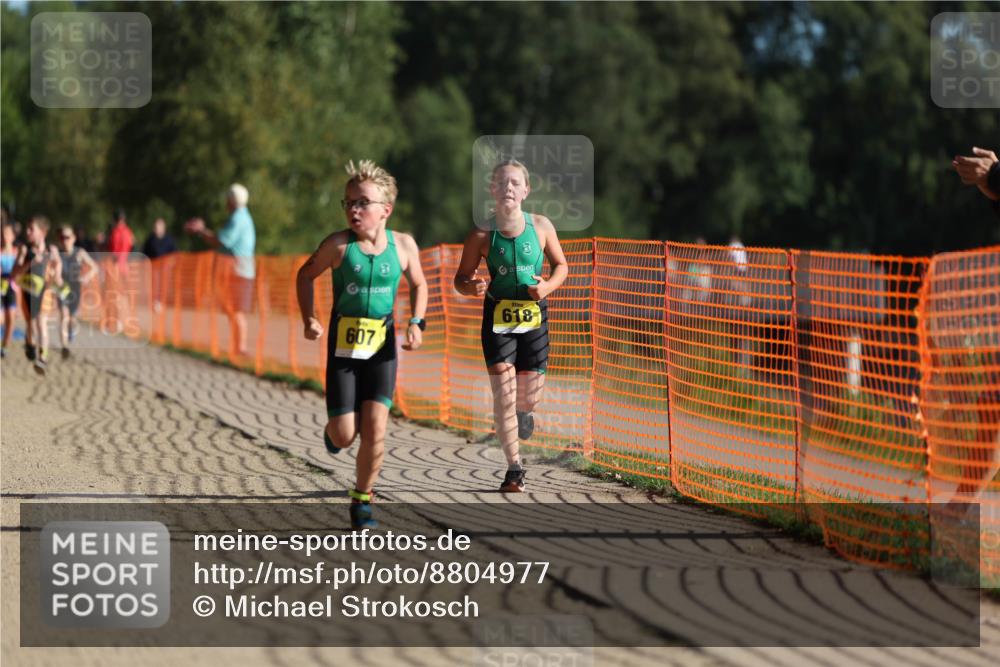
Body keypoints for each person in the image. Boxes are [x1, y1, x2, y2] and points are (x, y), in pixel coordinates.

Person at [296, 160, 427, 529]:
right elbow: (305, 276)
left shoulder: (403, 246)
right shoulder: (338, 245)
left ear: (386, 209)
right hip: (344, 350)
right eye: (349, 202)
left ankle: (362, 499)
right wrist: (309, 317)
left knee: (376, 428)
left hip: (382, 349)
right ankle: (333, 432)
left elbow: (420, 284)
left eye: (363, 203)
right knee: (344, 433)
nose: (354, 210)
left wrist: (417, 322)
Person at [453, 159, 568, 492]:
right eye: (502, 182)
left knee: (527, 399)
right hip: (498, 317)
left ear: (526, 191)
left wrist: (546, 287)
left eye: (515, 183)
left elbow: (562, 266)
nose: (508, 188)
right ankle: (514, 469)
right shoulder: (480, 233)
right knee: (503, 396)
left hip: (534, 317)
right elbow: (460, 278)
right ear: (492, 189)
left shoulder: (542, 226)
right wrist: (469, 285)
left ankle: (523, 413)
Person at [185, 184, 257, 358]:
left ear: (232, 201)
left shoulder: (238, 218)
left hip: (238, 271)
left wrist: (201, 231)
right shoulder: (241, 217)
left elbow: (221, 242)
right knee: (232, 310)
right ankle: (237, 347)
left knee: (236, 310)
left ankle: (240, 348)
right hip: (239, 270)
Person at [10, 216, 62, 374]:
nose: (27, 232)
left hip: (44, 292)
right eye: (27, 228)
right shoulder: (24, 250)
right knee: (31, 325)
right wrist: (30, 264)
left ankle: (43, 359)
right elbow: (14, 274)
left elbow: (58, 280)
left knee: (42, 323)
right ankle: (29, 344)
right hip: (28, 294)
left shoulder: (51, 252)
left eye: (32, 229)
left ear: (43, 232)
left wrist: (55, 267)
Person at [55, 225, 99, 359]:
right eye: (62, 238)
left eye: (67, 237)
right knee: (64, 315)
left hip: (75, 290)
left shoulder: (80, 253)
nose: (64, 240)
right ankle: (64, 347)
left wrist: (86, 277)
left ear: (73, 238)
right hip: (62, 289)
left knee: (72, 318)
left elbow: (94, 267)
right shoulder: (57, 254)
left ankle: (71, 332)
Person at [104, 208, 135, 334]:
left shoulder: (117, 232)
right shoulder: (128, 232)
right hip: (124, 267)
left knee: (114, 296)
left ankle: (116, 323)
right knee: (121, 296)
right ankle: (119, 322)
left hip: (115, 267)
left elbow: (115, 252)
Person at [142, 217, 177, 313]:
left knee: (163, 285)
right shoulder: (150, 239)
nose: (156, 228)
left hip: (165, 268)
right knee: (153, 285)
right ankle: (153, 302)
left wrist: (172, 263)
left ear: (163, 227)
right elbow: (144, 253)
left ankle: (161, 302)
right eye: (155, 226)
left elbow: (174, 254)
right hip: (153, 268)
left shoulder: (169, 240)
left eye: (158, 226)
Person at [1, 221, 19, 358]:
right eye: (2, 233)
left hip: (12, 288)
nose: (4, 236)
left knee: (11, 319)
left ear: (13, 236)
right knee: (1, 319)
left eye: (7, 233)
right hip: (0, 286)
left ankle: (5, 347)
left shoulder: (17, 252)